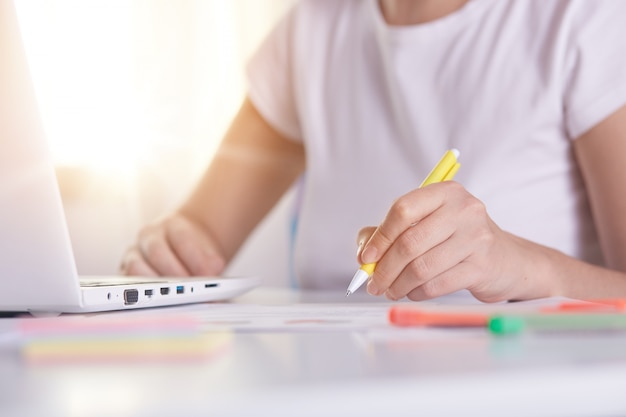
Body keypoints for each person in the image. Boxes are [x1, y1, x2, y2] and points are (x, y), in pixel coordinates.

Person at [120, 0, 626, 303]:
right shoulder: (314, 25)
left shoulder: (584, 20)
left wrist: (522, 267)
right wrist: (169, 248)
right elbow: (199, 238)